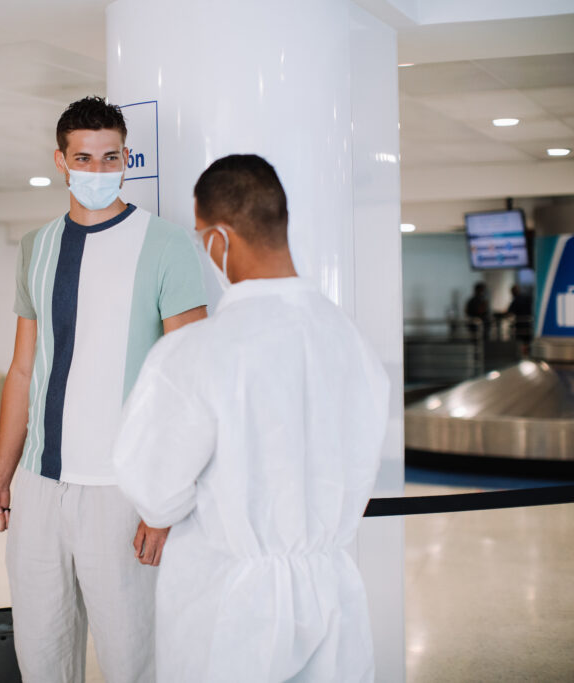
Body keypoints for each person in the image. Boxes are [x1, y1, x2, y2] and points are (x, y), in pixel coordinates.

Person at [114, 155, 390, 681]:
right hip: (331, 588)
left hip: (229, 603)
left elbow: (155, 489)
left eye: (199, 237)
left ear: (220, 239)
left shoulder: (198, 350)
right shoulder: (349, 341)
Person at [0, 96, 207, 682]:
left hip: (122, 489)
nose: (98, 171)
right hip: (39, 487)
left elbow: (193, 379)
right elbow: (23, 370)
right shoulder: (36, 248)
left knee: (133, 659)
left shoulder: (167, 244)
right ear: (61, 160)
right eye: (85, 158)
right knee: (42, 655)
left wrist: (164, 500)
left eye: (111, 157)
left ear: (126, 157)